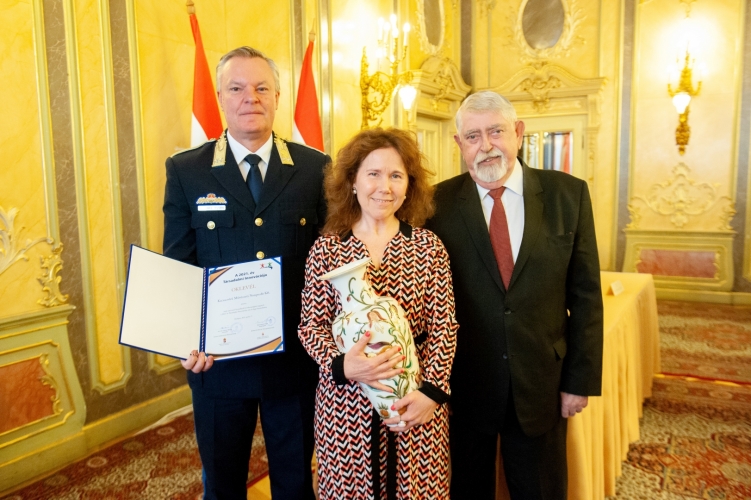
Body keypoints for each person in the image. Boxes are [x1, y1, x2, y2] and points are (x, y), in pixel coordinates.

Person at [162, 46, 329, 500]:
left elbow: (330, 260)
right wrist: (184, 340)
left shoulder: (314, 168)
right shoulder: (187, 170)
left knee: (295, 485)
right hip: (218, 365)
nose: (249, 97)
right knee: (222, 486)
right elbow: (179, 264)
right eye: (236, 88)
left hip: (293, 364)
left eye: (261, 88)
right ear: (220, 97)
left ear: (277, 96)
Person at [425, 91, 603, 499]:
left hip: (542, 384)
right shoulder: (435, 205)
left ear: (518, 132)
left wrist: (579, 382)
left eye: (496, 132)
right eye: (473, 136)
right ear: (458, 143)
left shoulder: (568, 195)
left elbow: (587, 297)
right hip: (465, 386)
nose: (486, 146)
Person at [298, 128, 458, 499]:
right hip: (345, 406)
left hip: (415, 400)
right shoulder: (326, 249)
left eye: (396, 175)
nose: (384, 187)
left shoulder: (429, 247)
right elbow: (311, 326)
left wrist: (431, 393)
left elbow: (444, 327)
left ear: (409, 186)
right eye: (373, 174)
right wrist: (342, 365)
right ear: (352, 181)